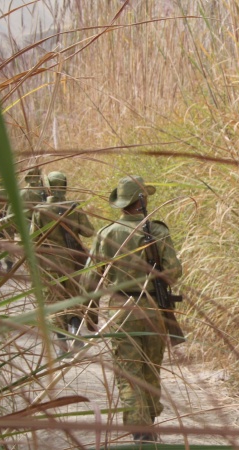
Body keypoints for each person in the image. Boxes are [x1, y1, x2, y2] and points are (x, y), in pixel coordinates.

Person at [83, 175, 182, 443]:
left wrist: (89, 314)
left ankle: (141, 432)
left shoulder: (106, 234)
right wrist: (154, 277)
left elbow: (91, 279)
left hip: (121, 309)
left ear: (123, 203)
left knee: (129, 371)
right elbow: (174, 273)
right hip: (154, 308)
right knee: (151, 368)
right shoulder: (157, 232)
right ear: (143, 200)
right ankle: (147, 427)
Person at [31, 171, 94, 351]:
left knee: (54, 301)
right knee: (74, 297)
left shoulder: (40, 210)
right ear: (65, 185)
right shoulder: (74, 208)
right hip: (74, 262)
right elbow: (89, 231)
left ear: (48, 187)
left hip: (49, 264)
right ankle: (75, 331)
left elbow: (32, 239)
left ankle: (61, 344)